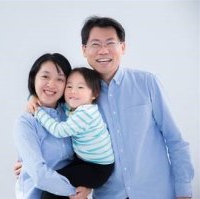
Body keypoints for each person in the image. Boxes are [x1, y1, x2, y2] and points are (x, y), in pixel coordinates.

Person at [14, 16, 194, 199]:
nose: (103, 50)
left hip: (156, 192)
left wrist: (184, 191)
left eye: (110, 43)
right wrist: (33, 98)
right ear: (84, 50)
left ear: (123, 47)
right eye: (95, 44)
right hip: (109, 194)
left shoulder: (147, 83)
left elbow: (175, 140)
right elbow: (53, 96)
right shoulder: (78, 95)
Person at [13, 53, 91, 199]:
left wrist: (88, 186)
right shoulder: (26, 123)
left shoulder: (71, 113)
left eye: (60, 79)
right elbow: (39, 174)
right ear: (33, 78)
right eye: (45, 76)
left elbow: (89, 153)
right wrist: (76, 191)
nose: (52, 84)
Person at [31, 67, 114, 199]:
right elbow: (61, 105)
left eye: (80, 87)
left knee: (54, 184)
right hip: (85, 161)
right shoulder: (75, 108)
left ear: (94, 94)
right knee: (58, 184)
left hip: (97, 168)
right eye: (69, 86)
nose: (73, 91)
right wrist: (34, 97)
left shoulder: (85, 113)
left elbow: (59, 130)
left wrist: (38, 111)